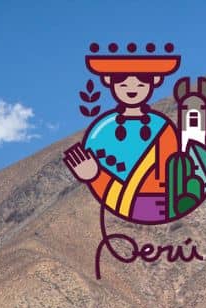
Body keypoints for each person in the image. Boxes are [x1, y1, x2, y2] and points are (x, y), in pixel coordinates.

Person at [63, 46, 181, 224]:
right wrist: (93, 176)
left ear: (155, 81)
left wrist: (96, 176)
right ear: (109, 81)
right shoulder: (101, 131)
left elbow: (168, 181)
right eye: (124, 84)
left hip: (155, 205)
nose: (132, 89)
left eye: (140, 84)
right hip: (125, 205)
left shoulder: (163, 129)